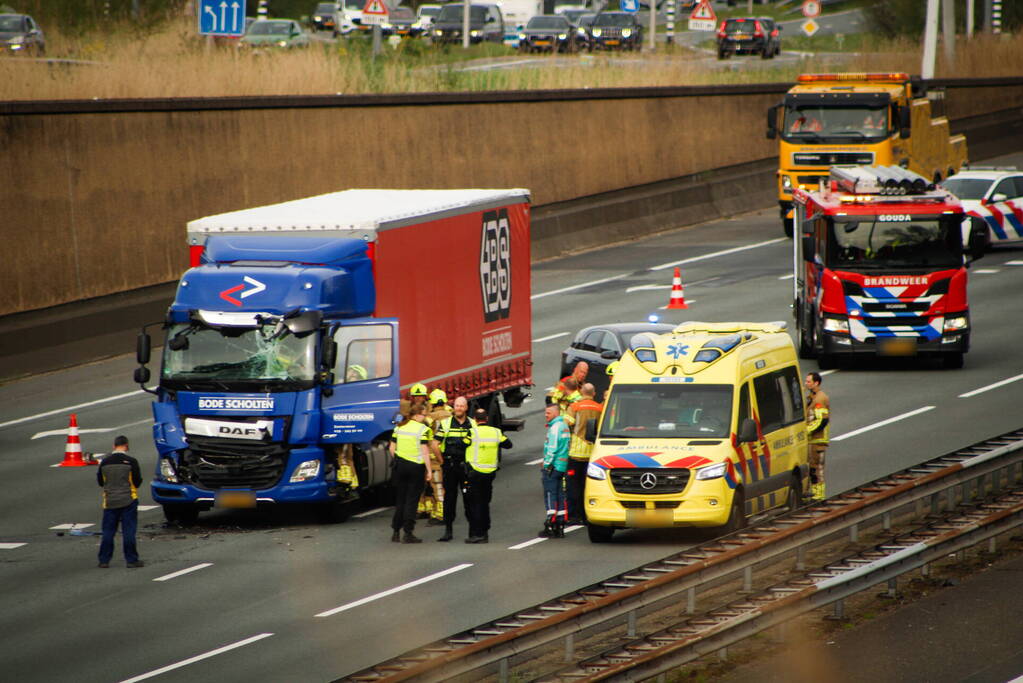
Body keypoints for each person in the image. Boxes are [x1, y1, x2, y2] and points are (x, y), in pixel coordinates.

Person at [463, 408, 512, 543]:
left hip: (475, 472)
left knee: (475, 504)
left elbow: (462, 444)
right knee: (485, 503)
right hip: (490, 473)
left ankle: (478, 533)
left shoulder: (472, 432)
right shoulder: (496, 432)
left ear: (474, 419)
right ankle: (485, 531)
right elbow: (508, 444)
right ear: (487, 419)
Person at [432, 396, 476, 542]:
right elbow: (434, 444)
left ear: (466, 407)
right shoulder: (445, 423)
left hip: (466, 467)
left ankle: (472, 531)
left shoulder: (473, 424)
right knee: (449, 499)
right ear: (453, 407)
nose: (459, 408)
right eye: (457, 406)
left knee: (469, 499)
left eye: (461, 406)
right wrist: (442, 461)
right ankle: (448, 531)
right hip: (450, 466)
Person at [96, 435, 144, 568]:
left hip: (110, 501)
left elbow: (101, 481)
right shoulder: (131, 461)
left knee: (108, 532)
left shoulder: (105, 462)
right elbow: (137, 481)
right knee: (128, 531)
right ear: (126, 446)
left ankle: (104, 560)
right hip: (129, 500)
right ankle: (131, 560)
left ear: (114, 446)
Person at [390, 404, 434, 543]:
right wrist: (429, 470)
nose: (425, 417)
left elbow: (391, 448)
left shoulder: (399, 427)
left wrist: (398, 459)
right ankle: (408, 533)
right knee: (412, 500)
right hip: (416, 467)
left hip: (400, 466)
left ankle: (396, 531)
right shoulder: (423, 429)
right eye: (424, 414)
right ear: (416, 415)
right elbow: (425, 451)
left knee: (400, 499)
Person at [564, 383, 602, 524]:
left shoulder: (575, 406)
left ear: (581, 392)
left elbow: (567, 423)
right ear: (593, 393)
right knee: (588, 486)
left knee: (573, 485)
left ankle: (575, 516)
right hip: (593, 453)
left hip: (576, 452)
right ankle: (587, 515)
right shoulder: (600, 408)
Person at [539, 403, 571, 538]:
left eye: (548, 413)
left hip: (553, 467)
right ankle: (560, 524)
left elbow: (552, 448)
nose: (546, 415)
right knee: (560, 495)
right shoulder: (564, 426)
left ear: (556, 413)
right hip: (562, 466)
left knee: (550, 495)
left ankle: (550, 524)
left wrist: (546, 464)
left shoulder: (555, 428)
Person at [421, 389, 451, 526]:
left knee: (437, 485)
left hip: (435, 457)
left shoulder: (430, 417)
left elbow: (421, 431)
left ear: (432, 403)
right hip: (451, 455)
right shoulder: (452, 415)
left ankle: (440, 514)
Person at [805, 371, 831, 501]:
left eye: (808, 381)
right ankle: (813, 494)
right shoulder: (812, 396)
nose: (806, 383)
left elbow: (822, 420)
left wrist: (806, 431)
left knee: (816, 469)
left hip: (817, 441)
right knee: (811, 468)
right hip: (812, 441)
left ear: (816, 383)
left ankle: (818, 496)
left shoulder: (820, 398)